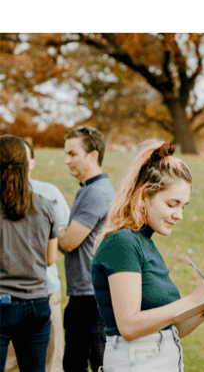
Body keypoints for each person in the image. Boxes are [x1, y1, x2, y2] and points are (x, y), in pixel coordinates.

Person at [90, 142, 204, 372]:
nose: (179, 215)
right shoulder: (122, 243)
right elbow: (129, 326)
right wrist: (191, 300)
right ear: (144, 195)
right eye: (172, 204)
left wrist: (202, 312)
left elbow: (169, 328)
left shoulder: (145, 243)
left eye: (183, 206)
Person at [4, 137, 69, 372]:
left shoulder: (46, 195)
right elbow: (50, 258)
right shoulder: (44, 204)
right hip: (36, 300)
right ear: (27, 163)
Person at [56, 126, 115, 372]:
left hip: (92, 299)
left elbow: (69, 242)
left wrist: (54, 230)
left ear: (92, 156)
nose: (67, 160)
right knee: (73, 364)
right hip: (82, 295)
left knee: (97, 365)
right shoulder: (87, 189)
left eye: (73, 154)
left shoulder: (97, 193)